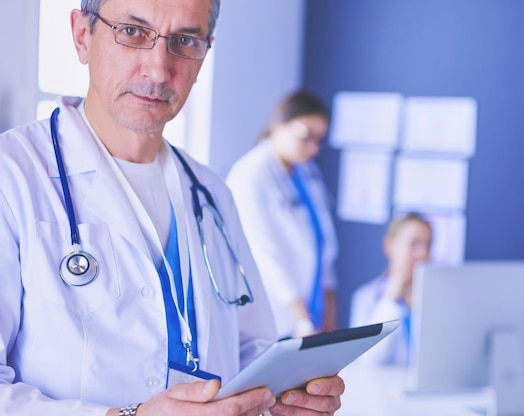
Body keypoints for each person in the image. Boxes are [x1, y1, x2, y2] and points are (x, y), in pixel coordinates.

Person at [0, 0, 344, 415]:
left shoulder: (213, 193)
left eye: (185, 40)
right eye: (132, 32)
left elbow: (251, 348)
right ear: (81, 36)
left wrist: (285, 398)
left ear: (204, 54)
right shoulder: (13, 176)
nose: (160, 70)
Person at [226, 90, 339, 338]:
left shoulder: (307, 174)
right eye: (306, 136)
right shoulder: (250, 175)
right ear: (279, 124)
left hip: (310, 315)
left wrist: (329, 310)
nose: (313, 148)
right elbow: (266, 255)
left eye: (319, 139)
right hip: (277, 318)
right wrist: (303, 320)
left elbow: (322, 246)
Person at [350, 213, 433, 366]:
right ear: (390, 245)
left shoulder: (435, 299)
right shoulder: (366, 298)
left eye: (427, 245)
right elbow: (368, 360)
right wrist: (390, 300)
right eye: (414, 244)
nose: (423, 254)